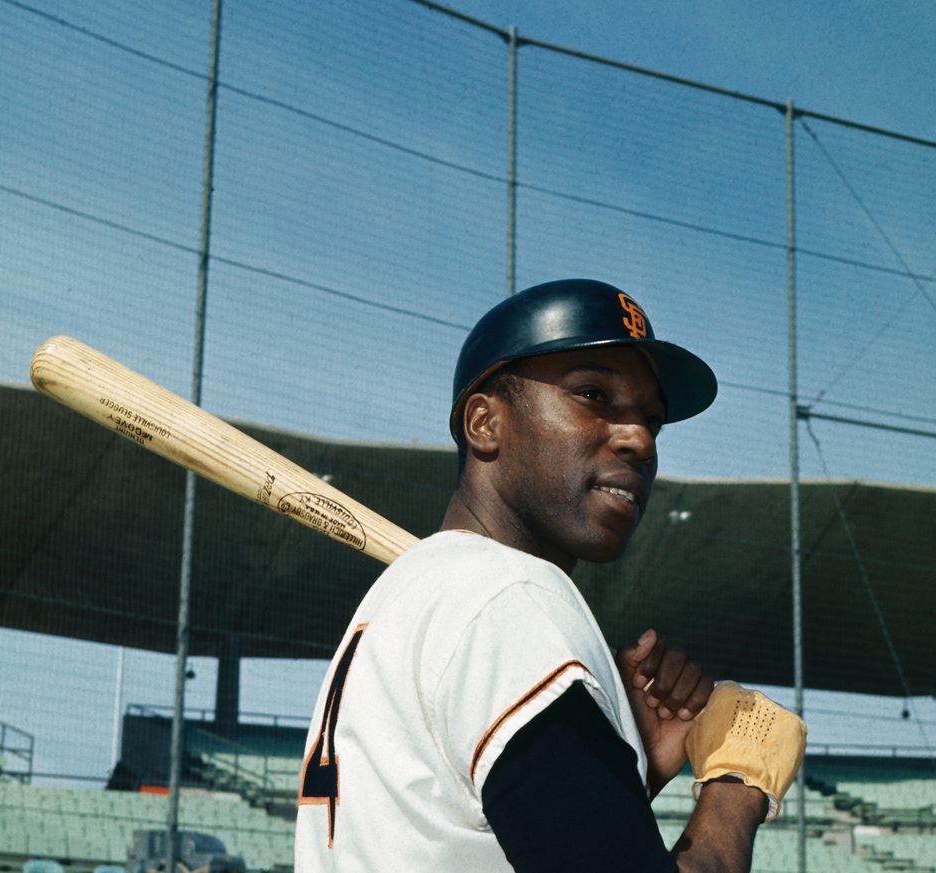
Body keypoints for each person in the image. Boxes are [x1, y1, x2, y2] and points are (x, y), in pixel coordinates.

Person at [294, 279, 803, 872]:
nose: (639, 440)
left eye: (652, 420)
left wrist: (626, 761)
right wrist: (736, 784)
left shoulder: (410, 595)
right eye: (592, 394)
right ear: (484, 423)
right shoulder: (510, 596)